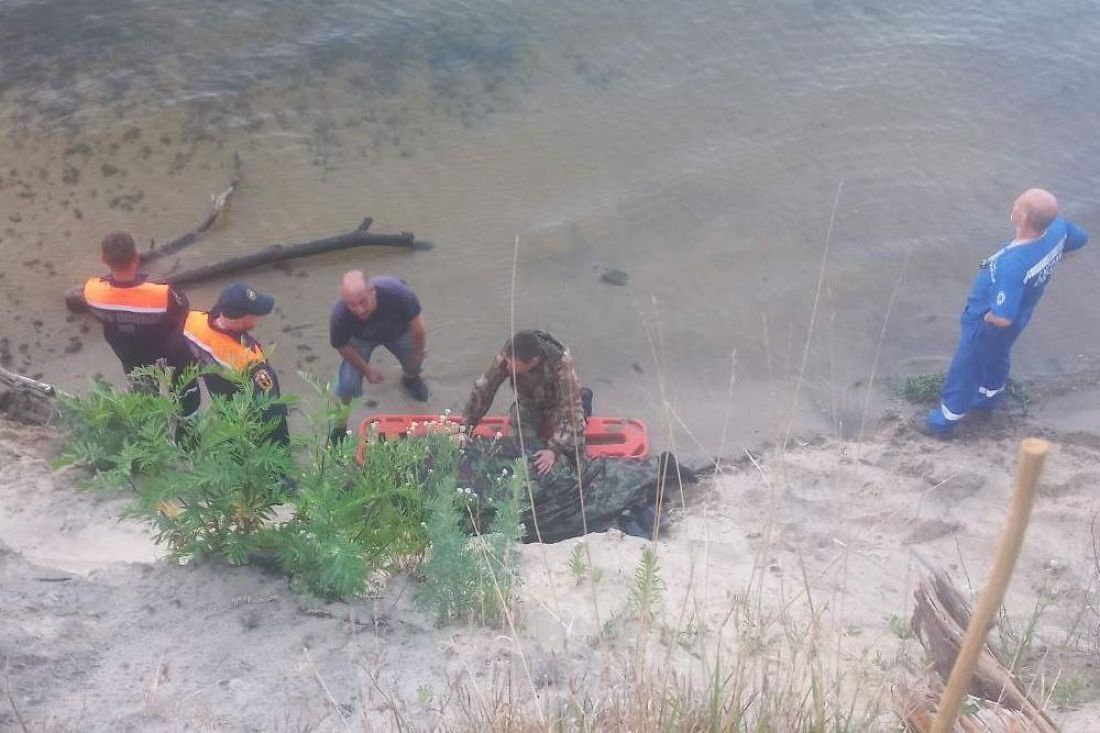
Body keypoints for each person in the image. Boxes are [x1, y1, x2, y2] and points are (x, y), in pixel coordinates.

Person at [920, 188, 1088, 438]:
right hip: (1023, 313)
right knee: (998, 353)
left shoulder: (1012, 265)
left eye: (1017, 205)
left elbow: (1003, 317)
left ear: (1022, 219)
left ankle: (943, 421)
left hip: (988, 324)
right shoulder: (1058, 229)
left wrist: (986, 318)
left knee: (966, 368)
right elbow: (1081, 239)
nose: (1013, 206)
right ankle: (990, 395)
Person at [73, 231, 198, 414]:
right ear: (136, 258)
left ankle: (150, 432)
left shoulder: (92, 291)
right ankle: (187, 430)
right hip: (171, 354)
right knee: (186, 396)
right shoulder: (162, 294)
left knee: (144, 399)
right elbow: (183, 310)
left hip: (131, 358)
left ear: (104, 260)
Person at [462, 330, 589, 476]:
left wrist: (553, 450)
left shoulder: (561, 364)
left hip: (558, 406)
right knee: (521, 440)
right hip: (530, 403)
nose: (508, 368)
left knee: (573, 452)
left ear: (533, 361)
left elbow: (570, 411)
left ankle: (585, 403)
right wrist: (466, 429)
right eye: (508, 362)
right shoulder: (508, 355)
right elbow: (484, 390)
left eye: (514, 365)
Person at [182, 283, 290, 445]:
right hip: (248, 412)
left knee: (233, 439)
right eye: (255, 314)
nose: (258, 318)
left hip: (223, 402)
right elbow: (271, 407)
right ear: (242, 320)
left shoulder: (192, 322)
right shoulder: (249, 360)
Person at [329, 271, 429, 437]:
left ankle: (411, 379)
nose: (359, 310)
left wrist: (419, 350)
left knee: (415, 360)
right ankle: (340, 426)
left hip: (398, 331)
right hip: (361, 339)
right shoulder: (339, 315)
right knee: (347, 384)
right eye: (352, 305)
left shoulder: (398, 294)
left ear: (373, 291)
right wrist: (366, 368)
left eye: (363, 302)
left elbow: (418, 325)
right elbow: (342, 346)